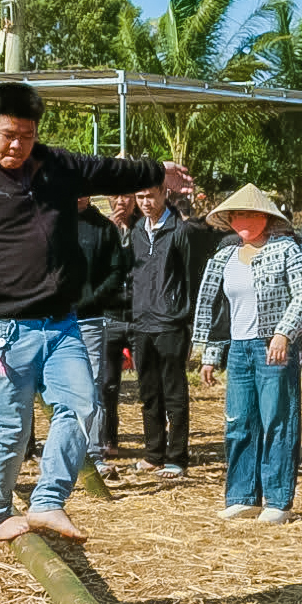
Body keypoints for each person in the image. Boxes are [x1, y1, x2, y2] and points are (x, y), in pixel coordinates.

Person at [0, 81, 180, 542]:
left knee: (82, 406)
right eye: (8, 134)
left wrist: (156, 170)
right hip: (5, 329)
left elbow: (108, 170)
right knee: (12, 426)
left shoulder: (56, 166)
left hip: (62, 323)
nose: (17, 145)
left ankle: (48, 501)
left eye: (27, 136)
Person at [190, 184, 302, 524]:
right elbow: (218, 311)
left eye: (251, 213)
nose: (244, 220)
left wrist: (283, 333)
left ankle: (277, 499)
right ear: (230, 220)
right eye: (238, 214)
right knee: (239, 422)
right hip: (239, 348)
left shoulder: (287, 249)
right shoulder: (223, 257)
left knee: (278, 420)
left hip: (272, 347)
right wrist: (211, 354)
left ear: (266, 218)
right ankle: (243, 495)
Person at [128, 182, 200, 478]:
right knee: (148, 392)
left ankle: (177, 456)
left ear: (163, 194)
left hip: (171, 323)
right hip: (142, 322)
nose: (145, 202)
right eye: (140, 196)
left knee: (174, 391)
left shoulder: (180, 231)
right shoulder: (136, 232)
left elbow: (190, 277)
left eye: (150, 196)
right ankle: (153, 452)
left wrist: (186, 317)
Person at [73, 195, 133, 466]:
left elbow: (116, 271)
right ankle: (66, 449)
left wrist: (93, 298)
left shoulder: (102, 227)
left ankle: (94, 451)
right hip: (51, 318)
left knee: (92, 384)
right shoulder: (51, 219)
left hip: (90, 319)